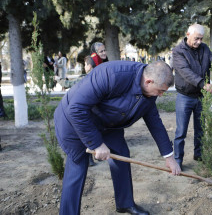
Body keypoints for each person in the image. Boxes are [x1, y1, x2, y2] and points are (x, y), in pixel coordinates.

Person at [54, 60, 181, 215]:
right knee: (78, 167)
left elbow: (155, 122)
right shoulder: (112, 75)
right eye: (161, 91)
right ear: (148, 81)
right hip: (74, 121)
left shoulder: (149, 92)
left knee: (121, 154)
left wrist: (169, 156)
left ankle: (125, 203)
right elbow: (76, 108)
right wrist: (96, 144)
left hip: (107, 122)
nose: (161, 95)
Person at [172, 23, 212, 170]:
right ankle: (178, 160)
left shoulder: (205, 48)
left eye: (201, 39)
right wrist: (203, 84)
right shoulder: (178, 52)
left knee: (201, 129)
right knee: (181, 131)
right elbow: (185, 72)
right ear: (188, 34)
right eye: (196, 38)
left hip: (201, 97)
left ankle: (199, 155)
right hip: (184, 97)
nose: (199, 42)